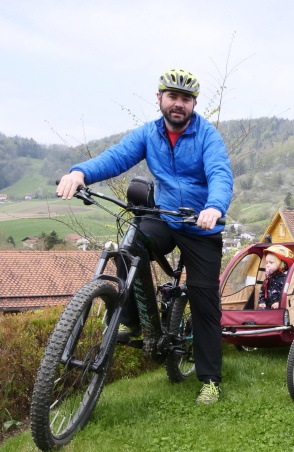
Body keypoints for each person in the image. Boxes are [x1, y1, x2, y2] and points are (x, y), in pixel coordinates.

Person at [56, 68, 234, 405]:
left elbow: (220, 173)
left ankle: (210, 380)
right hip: (164, 217)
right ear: (160, 99)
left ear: (193, 104)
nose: (178, 104)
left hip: (201, 224)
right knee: (130, 245)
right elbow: (116, 157)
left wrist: (213, 207)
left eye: (185, 99)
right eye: (172, 97)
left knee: (203, 302)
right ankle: (134, 321)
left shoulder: (207, 136)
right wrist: (80, 172)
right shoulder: (149, 134)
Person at [258, 245, 294, 310]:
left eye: (271, 263)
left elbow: (290, 296)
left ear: (282, 265)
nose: (267, 265)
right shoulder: (268, 278)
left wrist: (279, 303)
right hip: (268, 308)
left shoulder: (286, 279)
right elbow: (263, 292)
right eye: (267, 263)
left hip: (280, 309)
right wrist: (262, 301)